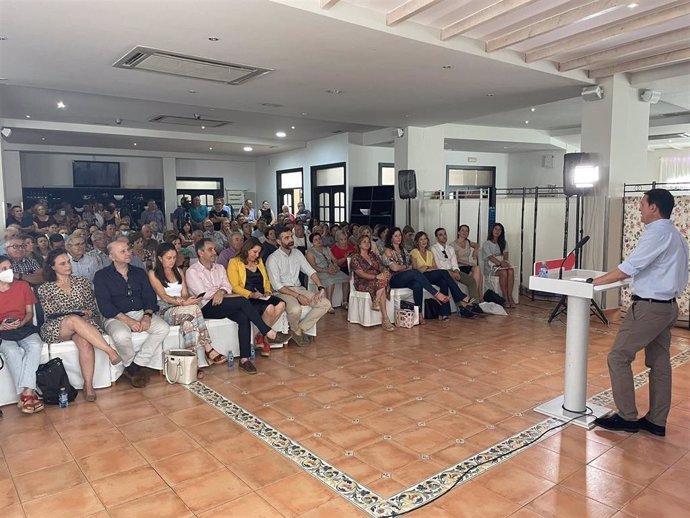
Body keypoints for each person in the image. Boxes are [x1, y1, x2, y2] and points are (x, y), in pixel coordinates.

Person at [592, 189, 688, 437]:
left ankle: (627, 417)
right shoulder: (675, 235)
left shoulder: (657, 233)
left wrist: (593, 282)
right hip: (667, 307)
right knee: (659, 363)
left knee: (618, 357)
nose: (640, 209)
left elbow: (629, 268)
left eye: (643, 204)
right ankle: (656, 421)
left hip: (649, 308)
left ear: (654, 207)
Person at [185, 238, 290, 374]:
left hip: (224, 302)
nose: (214, 252)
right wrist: (219, 293)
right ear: (200, 253)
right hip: (206, 307)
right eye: (210, 250)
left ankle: (244, 360)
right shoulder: (192, 271)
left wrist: (221, 292)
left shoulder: (220, 267)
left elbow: (227, 286)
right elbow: (203, 294)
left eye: (214, 249)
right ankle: (268, 332)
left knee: (243, 317)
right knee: (242, 300)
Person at [38, 249, 123, 401]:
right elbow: (50, 314)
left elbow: (93, 309)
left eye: (68, 262)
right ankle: (110, 351)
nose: (68, 265)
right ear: (52, 267)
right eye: (62, 263)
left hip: (82, 325)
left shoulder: (82, 282)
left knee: (84, 342)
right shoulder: (46, 288)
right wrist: (73, 315)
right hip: (57, 327)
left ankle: (88, 385)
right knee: (73, 320)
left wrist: (88, 313)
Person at [94, 240, 170, 388]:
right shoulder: (101, 276)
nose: (128, 253)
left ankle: (136, 364)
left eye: (128, 249)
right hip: (116, 317)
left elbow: (149, 298)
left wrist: (147, 317)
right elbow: (105, 307)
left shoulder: (139, 272)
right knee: (121, 336)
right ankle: (131, 365)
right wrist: (129, 321)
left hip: (140, 312)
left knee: (163, 328)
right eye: (123, 251)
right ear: (112, 256)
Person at [148, 243, 227, 378]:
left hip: (183, 309)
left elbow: (184, 293)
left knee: (189, 325)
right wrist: (183, 302)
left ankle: (192, 365)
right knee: (194, 310)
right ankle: (208, 347)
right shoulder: (153, 273)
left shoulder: (178, 271)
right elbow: (163, 296)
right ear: (160, 258)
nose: (172, 261)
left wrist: (189, 300)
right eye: (169, 258)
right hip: (164, 310)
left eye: (174, 257)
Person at [266, 226, 332, 346]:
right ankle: (297, 330)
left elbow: (310, 271)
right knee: (295, 310)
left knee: (325, 304)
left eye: (291, 236)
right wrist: (298, 296)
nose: (291, 239)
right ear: (279, 242)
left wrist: (320, 287)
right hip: (282, 292)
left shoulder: (297, 253)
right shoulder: (272, 259)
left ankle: (298, 330)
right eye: (286, 238)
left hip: (298, 288)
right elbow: (278, 286)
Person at [228, 238, 288, 358]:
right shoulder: (234, 262)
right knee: (270, 308)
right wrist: (251, 294)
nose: (256, 255)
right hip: (247, 297)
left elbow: (265, 279)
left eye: (258, 253)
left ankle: (261, 335)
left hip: (261, 295)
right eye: (254, 252)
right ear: (247, 250)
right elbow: (234, 286)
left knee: (281, 304)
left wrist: (267, 291)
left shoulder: (259, 261)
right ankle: (265, 339)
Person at [0, 255, 44, 414]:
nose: (8, 271)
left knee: (35, 345)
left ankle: (25, 395)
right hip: (2, 332)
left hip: (23, 327)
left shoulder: (22, 286)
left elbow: (29, 313)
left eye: (10, 268)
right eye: (4, 269)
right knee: (12, 352)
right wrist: (1, 326)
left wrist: (22, 322)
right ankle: (30, 394)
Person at [382, 227, 450, 325]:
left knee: (417, 285)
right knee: (415, 272)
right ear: (391, 238)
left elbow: (410, 266)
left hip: (405, 277)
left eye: (400, 235)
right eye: (396, 236)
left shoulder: (403, 250)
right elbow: (394, 268)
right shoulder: (388, 250)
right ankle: (436, 294)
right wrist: (405, 267)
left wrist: (405, 267)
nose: (399, 238)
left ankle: (419, 314)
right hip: (394, 279)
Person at [410, 231, 476, 319]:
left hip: (430, 274)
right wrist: (426, 268)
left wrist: (426, 267)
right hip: (421, 276)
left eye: (425, 239)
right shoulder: (414, 252)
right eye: (421, 239)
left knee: (443, 282)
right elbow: (415, 269)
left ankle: (444, 313)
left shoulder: (429, 253)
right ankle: (460, 296)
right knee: (444, 272)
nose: (423, 241)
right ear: (417, 242)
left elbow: (434, 267)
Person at [350, 235, 394, 331]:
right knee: (382, 282)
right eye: (364, 242)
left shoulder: (373, 255)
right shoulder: (355, 257)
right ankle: (385, 319)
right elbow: (360, 273)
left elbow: (382, 267)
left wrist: (385, 272)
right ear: (359, 244)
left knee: (383, 280)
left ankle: (376, 302)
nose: (367, 243)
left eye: (368, 242)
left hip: (378, 280)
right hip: (362, 281)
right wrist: (376, 276)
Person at [433, 227, 482, 303]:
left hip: (453, 270)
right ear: (437, 237)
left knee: (472, 281)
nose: (444, 236)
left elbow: (454, 262)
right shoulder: (433, 248)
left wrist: (456, 270)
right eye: (441, 235)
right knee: (453, 281)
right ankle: (461, 308)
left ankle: (475, 304)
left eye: (445, 234)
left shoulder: (450, 248)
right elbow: (438, 265)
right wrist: (451, 273)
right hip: (443, 272)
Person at [306, 232, 349, 313]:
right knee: (330, 281)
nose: (318, 241)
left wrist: (335, 266)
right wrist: (326, 270)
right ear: (312, 242)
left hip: (331, 269)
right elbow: (313, 266)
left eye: (319, 239)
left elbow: (335, 260)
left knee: (346, 278)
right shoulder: (310, 252)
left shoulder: (327, 249)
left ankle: (344, 301)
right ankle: (329, 304)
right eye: (315, 240)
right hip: (320, 271)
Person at [480, 223, 516, 308]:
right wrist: (500, 263)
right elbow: (490, 257)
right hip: (491, 267)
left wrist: (505, 262)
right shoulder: (486, 244)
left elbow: (506, 255)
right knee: (503, 272)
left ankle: (510, 296)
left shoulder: (504, 243)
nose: (497, 231)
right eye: (495, 229)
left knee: (510, 271)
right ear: (492, 230)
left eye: (499, 229)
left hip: (502, 264)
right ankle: (505, 297)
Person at [449, 225, 484, 301]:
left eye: (466, 231)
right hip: (459, 267)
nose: (465, 232)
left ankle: (478, 297)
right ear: (458, 232)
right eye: (462, 230)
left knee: (479, 273)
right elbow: (456, 259)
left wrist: (475, 250)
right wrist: (469, 263)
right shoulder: (453, 244)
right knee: (477, 269)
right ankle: (477, 297)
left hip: (467, 267)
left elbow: (477, 245)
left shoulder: (468, 242)